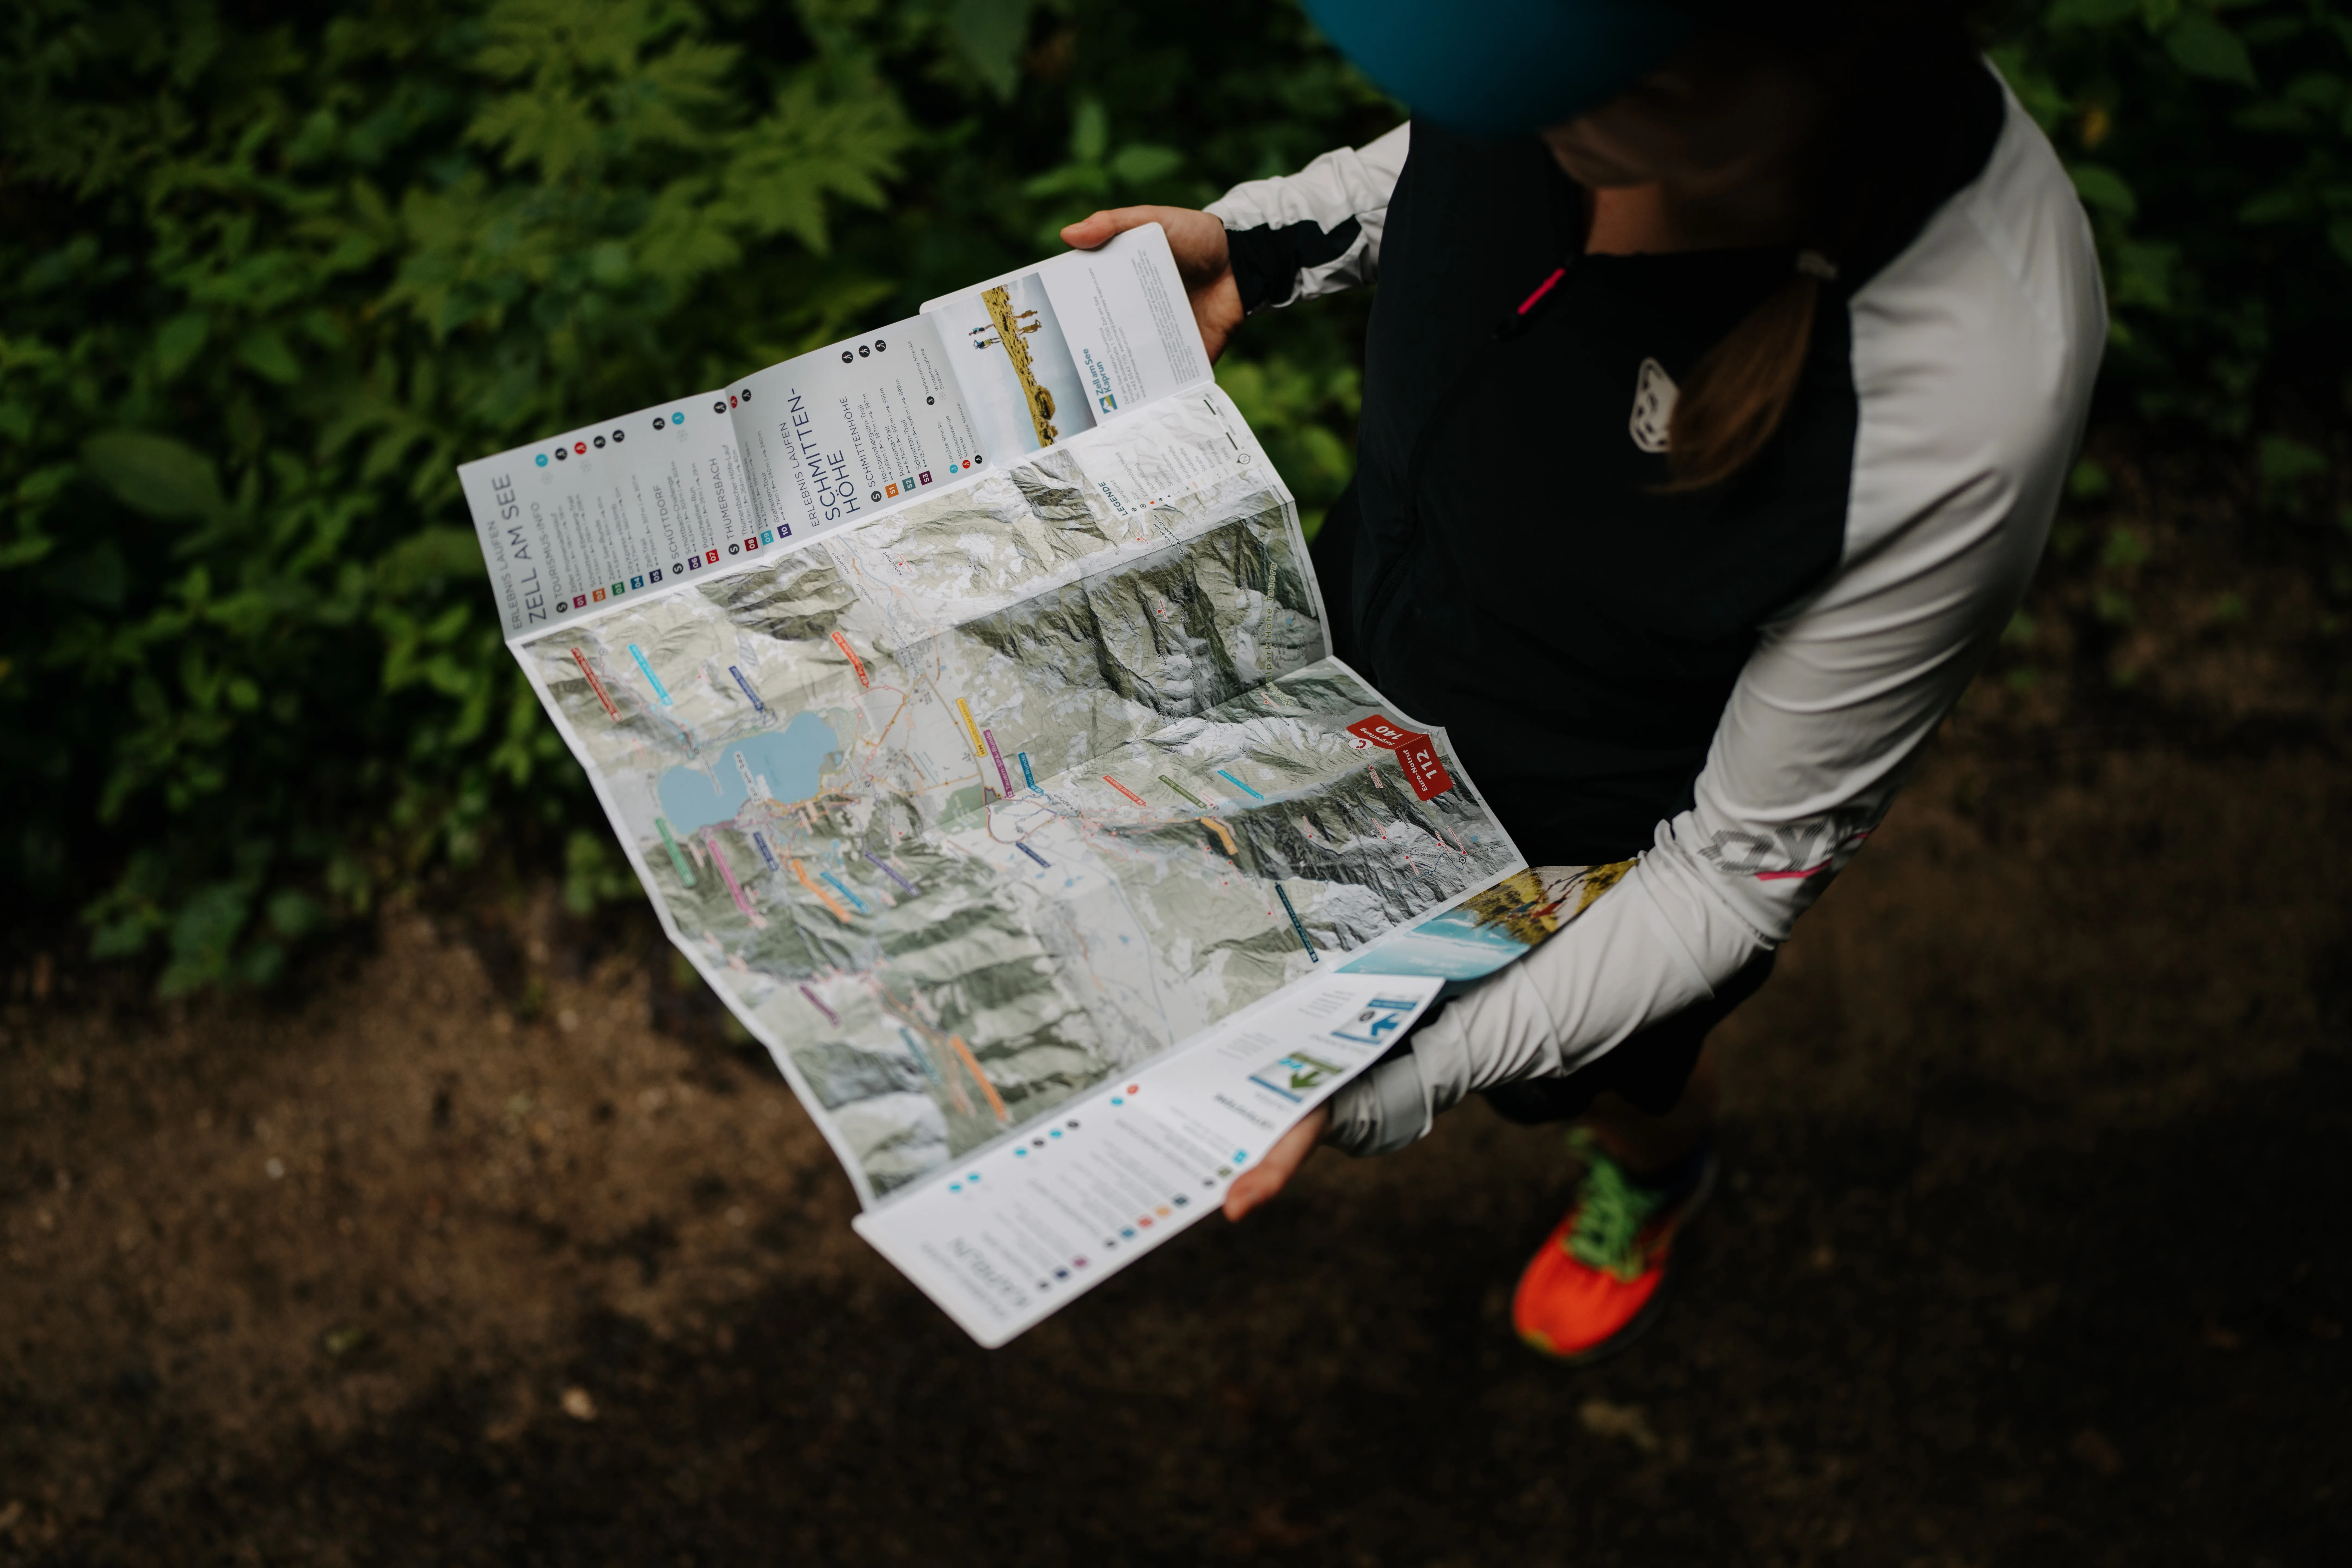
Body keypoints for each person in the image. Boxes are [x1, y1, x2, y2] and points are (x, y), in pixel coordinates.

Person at [1062, 0, 2103, 1362]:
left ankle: (1660, 1170)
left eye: (1562, 114)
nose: (1512, 135)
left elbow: (1733, 875)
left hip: (1584, 846)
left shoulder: (1959, 397)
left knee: (1613, 1075)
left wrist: (1403, 1080)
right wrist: (1260, 248)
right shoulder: (1565, 71)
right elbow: (1436, 159)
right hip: (1382, 629)